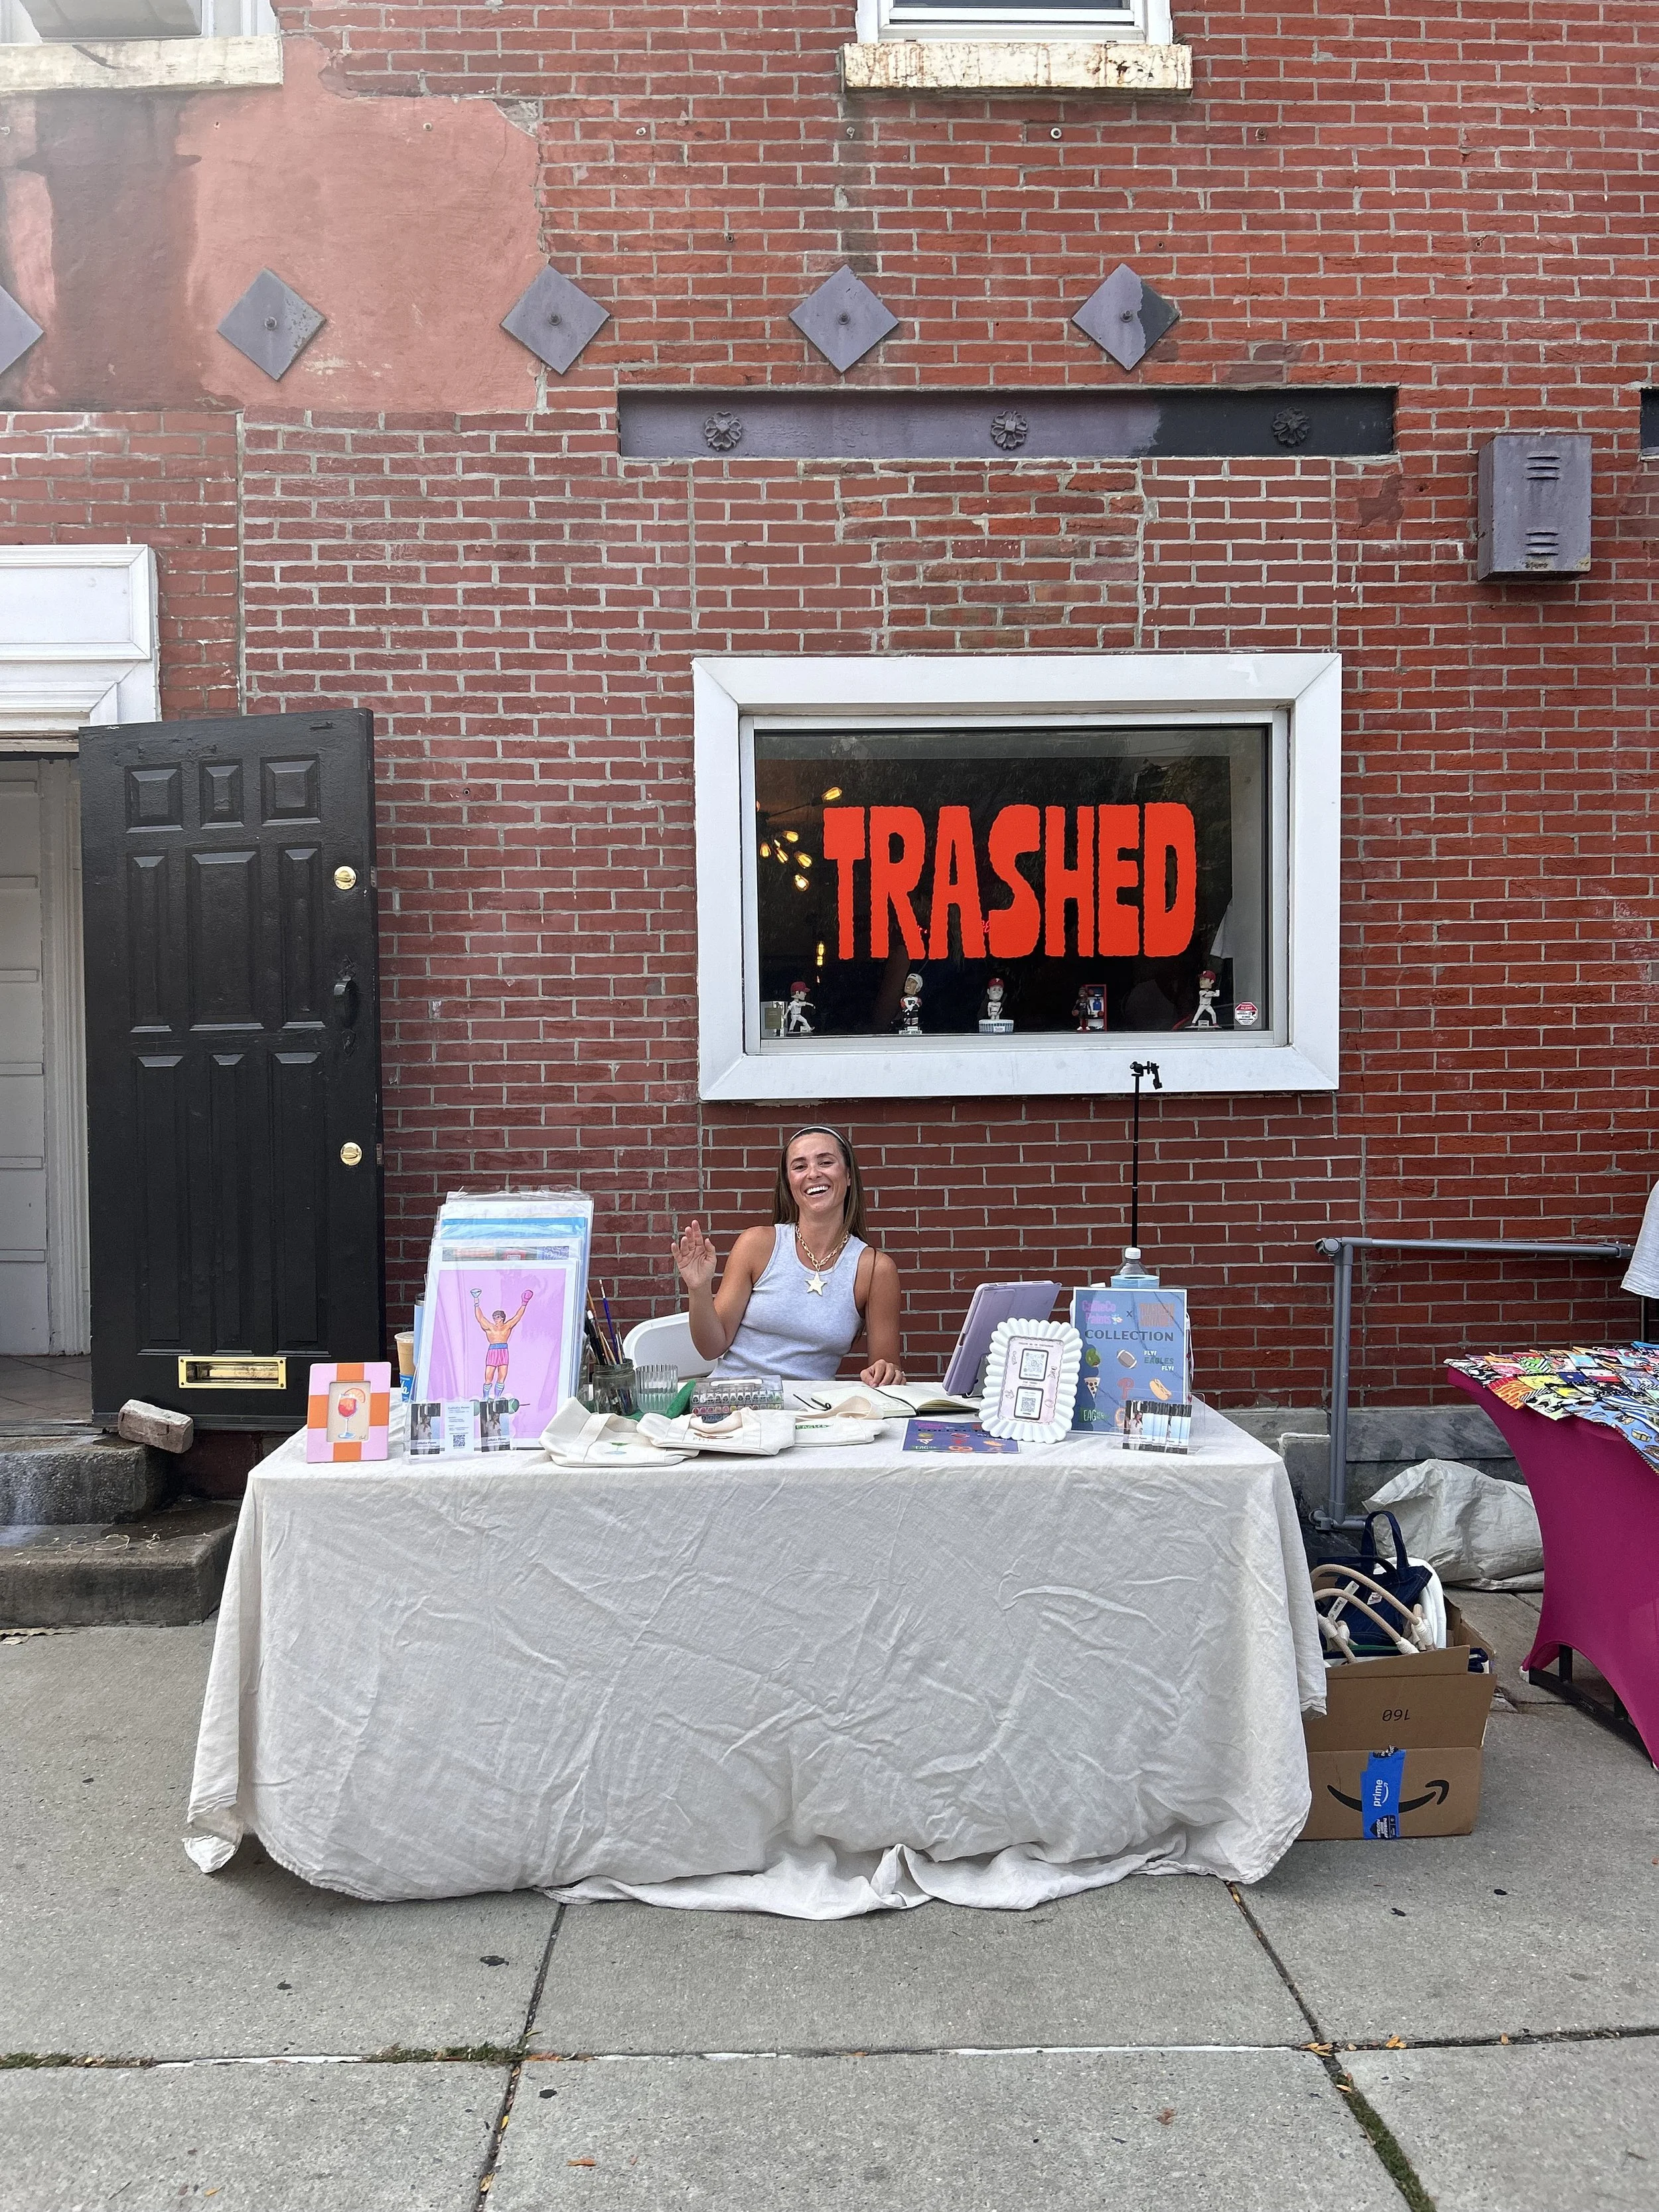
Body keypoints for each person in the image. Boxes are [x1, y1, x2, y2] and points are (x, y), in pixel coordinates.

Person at [671, 1126, 904, 1385]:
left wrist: (884, 1373)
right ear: (789, 1182)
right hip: (734, 1400)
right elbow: (710, 1348)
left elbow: (886, 1373)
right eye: (800, 1167)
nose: (814, 1174)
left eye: (826, 1162)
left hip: (812, 1413)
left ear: (848, 1176)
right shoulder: (757, 1245)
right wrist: (699, 1288)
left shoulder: (875, 1269)